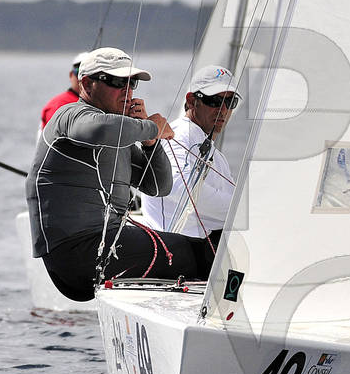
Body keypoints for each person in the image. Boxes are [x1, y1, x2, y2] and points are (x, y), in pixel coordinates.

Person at [26, 47, 216, 302]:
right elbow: (98, 130)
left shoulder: (118, 138)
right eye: (116, 82)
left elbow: (159, 186)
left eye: (132, 83)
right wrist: (149, 127)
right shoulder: (70, 115)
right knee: (198, 252)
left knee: (204, 246)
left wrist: (150, 143)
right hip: (75, 252)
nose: (127, 90)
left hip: (101, 248)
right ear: (87, 84)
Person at [139, 64, 240, 243]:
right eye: (214, 101)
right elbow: (178, 187)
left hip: (200, 243)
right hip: (176, 245)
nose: (223, 110)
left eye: (230, 102)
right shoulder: (180, 135)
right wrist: (243, 211)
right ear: (192, 101)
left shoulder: (216, 155)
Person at [39, 51, 92, 127]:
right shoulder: (58, 105)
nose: (83, 79)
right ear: (71, 75)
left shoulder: (101, 103)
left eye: (90, 74)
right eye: (79, 73)